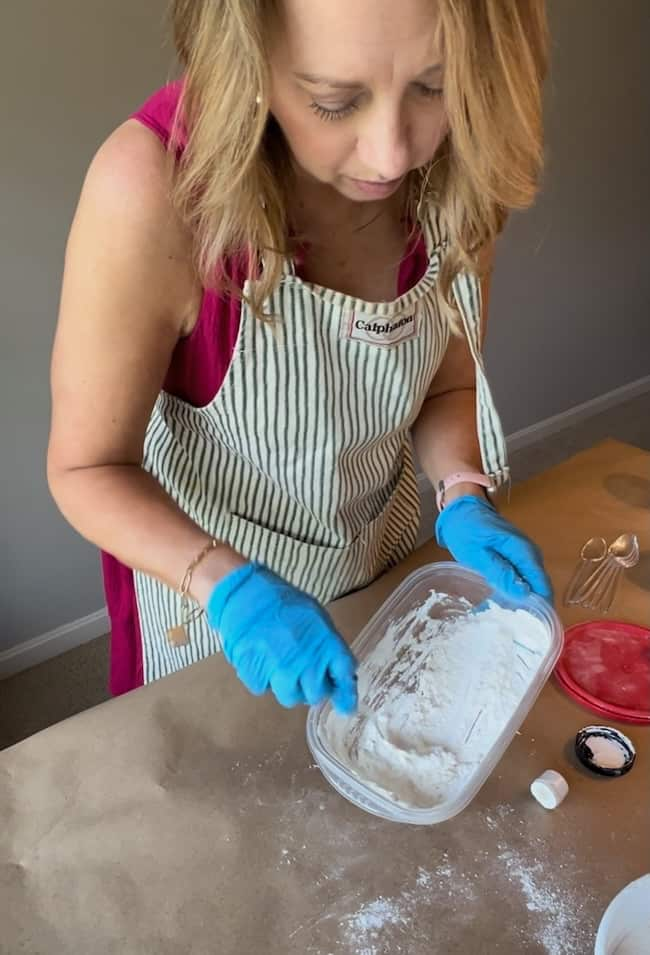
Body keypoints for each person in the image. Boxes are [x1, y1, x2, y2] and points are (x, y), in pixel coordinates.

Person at [48, 0, 552, 714]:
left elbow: (445, 384)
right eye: (334, 101)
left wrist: (461, 490)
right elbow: (86, 467)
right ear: (250, 64)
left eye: (435, 86)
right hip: (211, 610)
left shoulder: (458, 169)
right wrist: (231, 587)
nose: (392, 153)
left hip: (376, 564)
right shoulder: (155, 190)